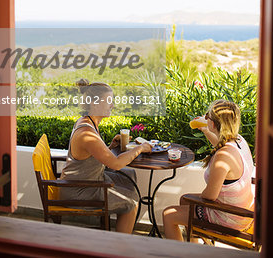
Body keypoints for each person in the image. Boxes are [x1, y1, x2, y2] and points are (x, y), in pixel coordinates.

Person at [60, 78, 152, 234]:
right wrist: (141, 148)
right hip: (80, 190)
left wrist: (109, 147)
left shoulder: (88, 122)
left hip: (88, 180)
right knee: (132, 202)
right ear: (95, 103)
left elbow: (91, 155)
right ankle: (119, 246)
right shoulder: (86, 133)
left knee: (130, 175)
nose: (112, 105)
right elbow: (115, 164)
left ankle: (118, 230)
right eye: (109, 100)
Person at [163, 99, 254, 241]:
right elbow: (220, 142)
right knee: (184, 200)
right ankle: (194, 248)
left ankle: (180, 252)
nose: (205, 118)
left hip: (230, 218)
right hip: (244, 211)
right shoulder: (239, 140)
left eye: (207, 116)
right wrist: (205, 130)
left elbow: (210, 196)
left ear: (213, 123)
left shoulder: (223, 157)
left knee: (168, 214)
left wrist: (195, 197)